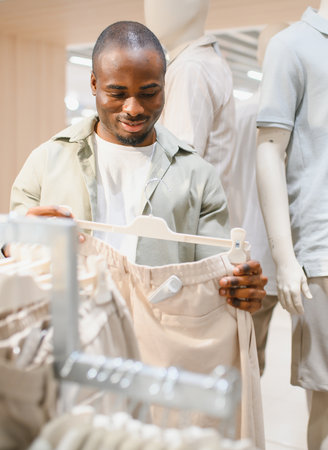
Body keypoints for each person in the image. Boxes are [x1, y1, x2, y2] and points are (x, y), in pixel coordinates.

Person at [9, 21, 266, 313]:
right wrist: (16, 241)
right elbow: (11, 253)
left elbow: (218, 271)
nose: (133, 108)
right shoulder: (46, 161)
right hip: (71, 332)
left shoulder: (198, 175)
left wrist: (241, 285)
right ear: (94, 84)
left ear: (163, 85)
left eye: (148, 92)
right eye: (117, 93)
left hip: (159, 341)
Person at [256, 3, 328, 448]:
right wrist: (285, 258)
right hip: (322, 254)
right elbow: (269, 148)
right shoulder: (293, 47)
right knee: (325, 397)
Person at [231, 24, 288, 375]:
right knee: (252, 359)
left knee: (246, 356)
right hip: (276, 256)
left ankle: (242, 427)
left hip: (245, 250)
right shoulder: (288, 117)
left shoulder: (237, 114)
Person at [144, 0, 236, 209]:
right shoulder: (208, 62)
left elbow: (180, 164)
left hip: (189, 223)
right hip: (206, 217)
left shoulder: (190, 68)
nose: (150, 8)